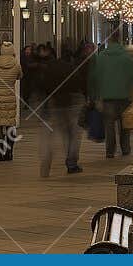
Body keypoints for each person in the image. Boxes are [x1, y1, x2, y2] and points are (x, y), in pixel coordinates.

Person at [88, 35, 133, 158]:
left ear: (108, 42)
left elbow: (94, 78)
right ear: (120, 42)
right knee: (125, 125)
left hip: (107, 97)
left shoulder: (101, 57)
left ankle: (110, 151)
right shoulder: (126, 58)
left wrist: (93, 95)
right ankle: (125, 148)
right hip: (125, 96)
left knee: (109, 125)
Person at [38, 45, 88, 177]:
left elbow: (42, 84)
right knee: (72, 135)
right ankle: (71, 163)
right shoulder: (71, 68)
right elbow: (79, 84)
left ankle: (46, 159)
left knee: (50, 135)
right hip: (70, 103)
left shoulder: (51, 69)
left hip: (53, 104)